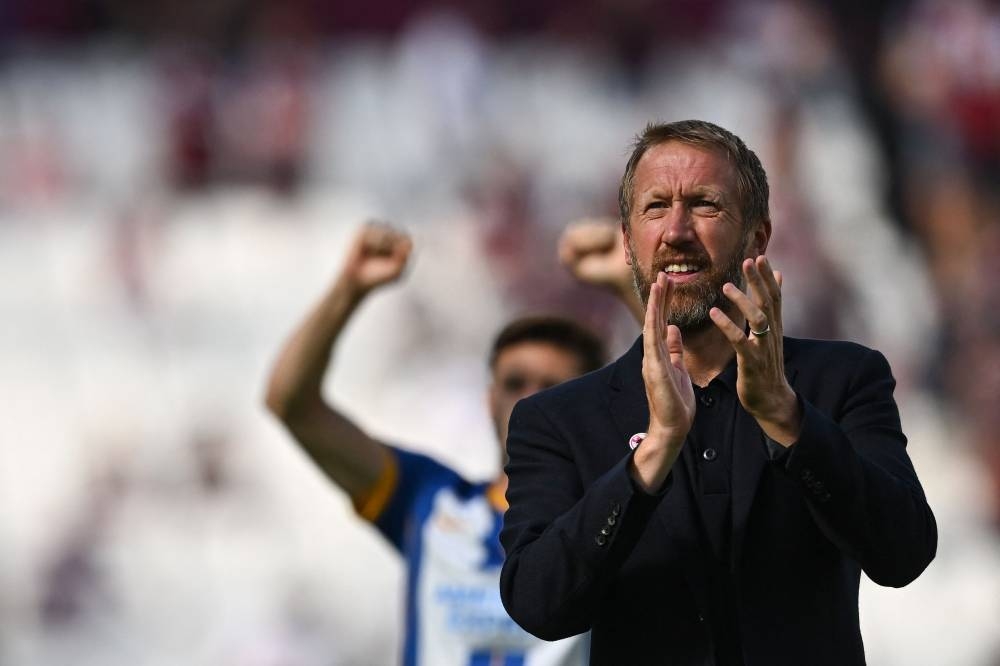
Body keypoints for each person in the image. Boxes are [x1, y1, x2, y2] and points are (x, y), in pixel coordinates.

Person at [498, 120, 938, 666]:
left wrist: (788, 418)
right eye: (655, 207)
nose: (676, 230)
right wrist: (652, 453)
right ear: (629, 241)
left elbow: (903, 555)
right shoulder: (558, 419)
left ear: (758, 235)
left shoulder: (842, 379)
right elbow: (538, 604)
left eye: (705, 205)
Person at [264, 221, 635, 666]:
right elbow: (293, 405)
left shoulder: (623, 521)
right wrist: (349, 290)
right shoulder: (430, 499)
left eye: (553, 386)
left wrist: (631, 285)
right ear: (489, 400)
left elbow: (704, 407)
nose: (531, 399)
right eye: (515, 382)